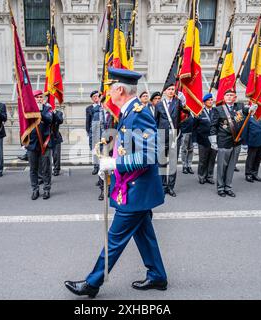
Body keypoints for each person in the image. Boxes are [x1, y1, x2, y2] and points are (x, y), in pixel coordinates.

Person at [65, 68, 167, 298]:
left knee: (114, 238)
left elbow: (149, 156)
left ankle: (92, 283)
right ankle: (158, 276)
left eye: (110, 87)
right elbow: (129, 146)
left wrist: (114, 165)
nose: (108, 92)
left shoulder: (138, 113)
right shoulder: (130, 111)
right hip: (134, 187)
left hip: (137, 190)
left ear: (119, 89)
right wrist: (109, 162)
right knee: (143, 233)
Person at [209, 89, 252, 197]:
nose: (229, 97)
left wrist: (252, 108)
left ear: (235, 97)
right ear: (224, 98)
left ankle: (228, 187)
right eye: (227, 95)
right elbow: (213, 126)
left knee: (231, 166)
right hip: (224, 141)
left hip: (236, 142)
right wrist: (213, 141)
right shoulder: (218, 109)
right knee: (222, 167)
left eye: (231, 95)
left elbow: (246, 112)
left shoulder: (240, 107)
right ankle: (220, 188)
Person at [154, 84, 187, 197]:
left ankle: (171, 186)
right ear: (165, 91)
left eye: (173, 89)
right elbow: (156, 121)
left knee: (173, 163)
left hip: (174, 136)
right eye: (169, 89)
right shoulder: (159, 105)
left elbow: (186, 112)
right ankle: (163, 186)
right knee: (162, 163)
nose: (171, 91)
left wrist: (184, 102)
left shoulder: (178, 103)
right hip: (162, 136)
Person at [26, 90, 54, 200]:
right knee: (33, 169)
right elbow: (24, 126)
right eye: (36, 97)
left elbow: (49, 119)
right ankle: (35, 189)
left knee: (46, 167)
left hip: (45, 143)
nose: (38, 99)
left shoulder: (48, 108)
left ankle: (46, 189)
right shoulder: (28, 110)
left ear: (43, 98)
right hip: (32, 143)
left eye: (40, 97)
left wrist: (40, 111)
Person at [193, 93, 216, 184]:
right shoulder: (199, 112)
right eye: (208, 100)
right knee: (203, 160)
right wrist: (194, 141)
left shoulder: (216, 111)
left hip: (214, 140)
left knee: (212, 159)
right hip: (202, 140)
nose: (210, 102)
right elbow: (194, 128)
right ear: (204, 102)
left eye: (211, 100)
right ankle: (201, 176)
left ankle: (209, 176)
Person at [241, 108, 261, 183]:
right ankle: (248, 174)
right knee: (251, 158)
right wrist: (244, 143)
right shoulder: (250, 118)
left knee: (258, 158)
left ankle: (255, 173)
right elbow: (245, 130)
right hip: (253, 141)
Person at [86, 90, 101, 175]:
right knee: (95, 149)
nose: (96, 98)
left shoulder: (103, 106)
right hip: (94, 131)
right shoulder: (89, 108)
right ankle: (96, 166)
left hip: (102, 131)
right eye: (94, 96)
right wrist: (88, 132)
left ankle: (102, 166)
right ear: (92, 98)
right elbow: (87, 121)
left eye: (97, 96)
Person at [50, 104, 63, 176]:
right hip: (46, 137)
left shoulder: (58, 113)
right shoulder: (44, 112)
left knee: (56, 155)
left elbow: (60, 120)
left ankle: (56, 169)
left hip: (56, 136)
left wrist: (54, 112)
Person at [180, 110, 194, 174]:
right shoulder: (182, 110)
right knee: (184, 150)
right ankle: (184, 166)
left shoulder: (193, 110)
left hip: (192, 132)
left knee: (191, 150)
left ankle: (189, 166)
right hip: (184, 132)